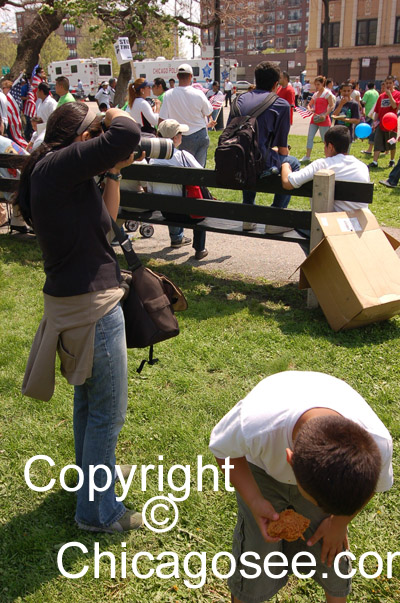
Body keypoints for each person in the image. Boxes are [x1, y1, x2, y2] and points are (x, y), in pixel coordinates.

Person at [15, 103, 144, 533]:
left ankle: (93, 486)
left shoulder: (55, 172)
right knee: (108, 412)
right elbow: (126, 134)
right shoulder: (59, 165)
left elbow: (106, 223)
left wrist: (113, 172)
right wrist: (111, 111)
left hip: (74, 304)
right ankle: (98, 513)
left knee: (89, 405)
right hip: (94, 308)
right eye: (94, 132)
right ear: (81, 136)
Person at [209, 370, 393, 603]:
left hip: (316, 470)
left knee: (332, 556)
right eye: (315, 502)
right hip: (260, 470)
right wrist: (254, 500)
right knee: (255, 556)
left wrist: (338, 522)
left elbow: (368, 489)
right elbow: (223, 451)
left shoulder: (376, 444)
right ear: (290, 460)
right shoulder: (254, 425)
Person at [232, 61, 300, 233]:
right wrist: (279, 153)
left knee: (249, 157)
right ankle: (274, 217)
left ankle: (248, 216)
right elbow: (282, 147)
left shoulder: (238, 100)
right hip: (258, 163)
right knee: (293, 163)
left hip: (234, 159)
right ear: (276, 84)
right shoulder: (281, 105)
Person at [147, 118, 208, 259]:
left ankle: (176, 238)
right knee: (201, 204)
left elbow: (150, 188)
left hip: (165, 212)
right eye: (180, 133)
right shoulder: (183, 156)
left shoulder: (153, 160)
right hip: (188, 215)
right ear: (175, 138)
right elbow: (203, 177)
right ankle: (200, 249)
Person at [281, 125, 370, 212]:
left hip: (331, 223)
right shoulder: (362, 166)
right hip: (358, 222)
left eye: (325, 145)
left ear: (330, 147)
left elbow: (288, 183)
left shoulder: (323, 165)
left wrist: (285, 163)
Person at [159, 64, 213, 167]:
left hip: (181, 135)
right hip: (200, 133)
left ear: (178, 76)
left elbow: (162, 119)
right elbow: (208, 112)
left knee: (184, 168)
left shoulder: (169, 94)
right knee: (200, 169)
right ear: (191, 76)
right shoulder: (198, 93)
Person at [367, 75, 400, 169]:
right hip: (380, 123)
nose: (388, 85)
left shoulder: (397, 94)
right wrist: (375, 122)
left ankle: (392, 160)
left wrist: (389, 95)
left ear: (394, 84)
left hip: (391, 124)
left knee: (391, 142)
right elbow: (377, 110)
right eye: (387, 83)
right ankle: (375, 161)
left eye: (390, 83)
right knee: (377, 141)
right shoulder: (381, 96)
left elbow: (394, 106)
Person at [301, 76, 335, 163]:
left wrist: (325, 114)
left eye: (318, 84)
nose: (316, 86)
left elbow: (331, 106)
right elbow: (310, 104)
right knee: (310, 137)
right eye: (315, 84)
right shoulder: (316, 94)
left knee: (325, 140)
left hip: (323, 119)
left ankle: (328, 157)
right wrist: (309, 109)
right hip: (315, 119)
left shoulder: (327, 93)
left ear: (323, 83)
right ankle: (307, 156)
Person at [360, 82, 379, 155]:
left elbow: (363, 102)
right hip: (375, 113)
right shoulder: (377, 93)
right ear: (374, 86)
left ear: (367, 87)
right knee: (373, 129)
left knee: (369, 129)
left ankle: (369, 148)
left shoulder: (367, 93)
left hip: (368, 113)